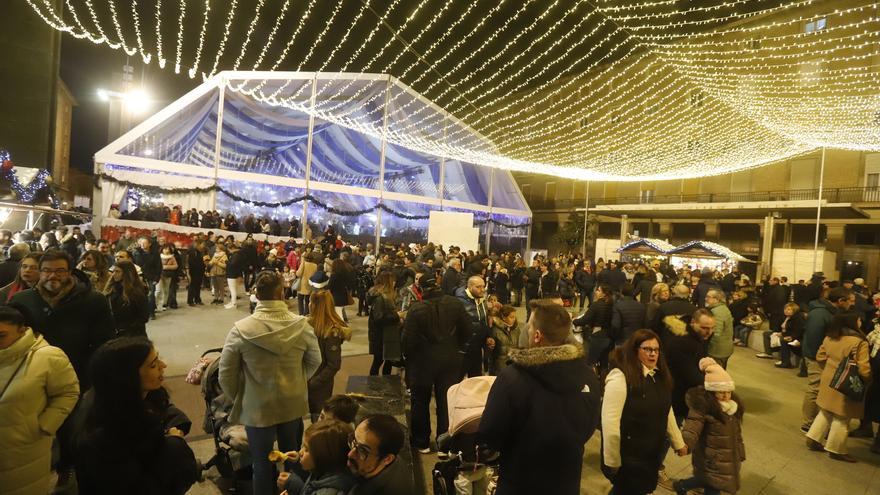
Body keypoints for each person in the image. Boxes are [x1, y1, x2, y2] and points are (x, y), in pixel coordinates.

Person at [480, 300, 600, 495]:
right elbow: (589, 426)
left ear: (537, 335)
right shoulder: (589, 377)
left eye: (529, 325)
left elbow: (490, 433)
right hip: (567, 481)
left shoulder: (512, 378)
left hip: (520, 480)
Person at [219, 271, 322, 495]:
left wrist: (240, 396)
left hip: (258, 408)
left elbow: (225, 373)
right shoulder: (302, 325)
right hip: (292, 402)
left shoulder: (240, 330)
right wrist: (298, 381)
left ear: (256, 294)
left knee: (262, 464)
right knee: (294, 457)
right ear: (282, 292)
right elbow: (316, 360)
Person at [74, 337, 198, 494]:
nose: (163, 366)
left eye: (158, 358)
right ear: (127, 376)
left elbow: (166, 410)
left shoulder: (142, 396)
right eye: (153, 365)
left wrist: (175, 428)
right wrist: (175, 444)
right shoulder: (102, 438)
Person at [0, 306, 79, 494]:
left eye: (1, 335)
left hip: (24, 450)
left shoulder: (47, 356)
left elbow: (68, 392)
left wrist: (43, 426)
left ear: (22, 330)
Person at [602, 329, 687, 495]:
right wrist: (612, 461)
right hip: (628, 456)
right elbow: (610, 423)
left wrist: (678, 441)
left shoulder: (658, 376)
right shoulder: (620, 377)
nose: (653, 354)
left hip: (649, 453)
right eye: (647, 349)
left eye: (656, 350)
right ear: (635, 350)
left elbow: (666, 409)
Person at [403, 273, 472, 453]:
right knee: (446, 400)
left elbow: (407, 341)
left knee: (420, 401)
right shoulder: (455, 304)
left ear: (422, 288)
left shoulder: (416, 309)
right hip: (450, 360)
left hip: (422, 362)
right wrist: (457, 348)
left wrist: (410, 359)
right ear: (438, 284)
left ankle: (421, 442)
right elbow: (468, 330)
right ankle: (445, 444)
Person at [805, 310, 872, 462]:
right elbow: (864, 368)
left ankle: (813, 439)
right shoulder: (858, 342)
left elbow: (820, 356)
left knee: (826, 411)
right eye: (858, 319)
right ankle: (836, 449)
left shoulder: (830, 337)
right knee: (842, 416)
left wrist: (831, 366)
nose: (860, 322)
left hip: (829, 378)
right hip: (846, 381)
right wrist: (867, 380)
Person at [675, 358, 746, 495]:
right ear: (712, 392)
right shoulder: (704, 407)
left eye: (728, 391)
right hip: (710, 459)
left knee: (707, 480)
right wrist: (685, 444)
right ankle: (682, 485)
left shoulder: (732, 409)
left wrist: (740, 452)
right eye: (721, 392)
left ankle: (682, 485)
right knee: (712, 484)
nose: (726, 396)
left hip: (727, 457)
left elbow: (737, 434)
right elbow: (692, 427)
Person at [802, 287, 854, 431]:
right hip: (816, 357)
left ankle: (817, 424)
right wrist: (819, 357)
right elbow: (813, 338)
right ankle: (808, 423)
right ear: (840, 301)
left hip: (823, 357)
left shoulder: (831, 312)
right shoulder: (820, 314)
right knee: (815, 389)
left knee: (820, 390)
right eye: (850, 301)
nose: (852, 304)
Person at [278, 420, 357, 495]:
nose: (300, 452)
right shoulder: (327, 470)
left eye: (307, 449)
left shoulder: (329, 492)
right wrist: (297, 461)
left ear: (323, 457)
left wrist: (294, 486)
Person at [308, 290, 352, 423]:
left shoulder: (332, 332)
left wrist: (314, 382)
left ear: (316, 305)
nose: (308, 304)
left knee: (319, 419)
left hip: (319, 385)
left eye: (311, 301)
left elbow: (333, 364)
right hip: (308, 380)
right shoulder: (309, 325)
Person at [665, 308, 714, 422]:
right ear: (693, 323)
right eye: (704, 328)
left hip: (686, 394)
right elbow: (689, 374)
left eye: (712, 328)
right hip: (676, 395)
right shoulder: (682, 341)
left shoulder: (698, 338)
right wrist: (713, 384)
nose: (709, 332)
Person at [346, 415, 411, 494]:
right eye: (353, 439)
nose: (350, 454)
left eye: (363, 450)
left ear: (387, 459)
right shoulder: (391, 456)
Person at [456, 275, 495, 378]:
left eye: (483, 286)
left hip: (477, 348)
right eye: (478, 287)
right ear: (470, 287)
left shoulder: (481, 300)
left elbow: (484, 321)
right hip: (462, 350)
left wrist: (488, 336)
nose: (482, 290)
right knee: (457, 380)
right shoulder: (459, 302)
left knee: (475, 379)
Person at [367, 271, 402, 376]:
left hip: (388, 335)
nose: (395, 282)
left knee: (389, 362)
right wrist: (397, 316)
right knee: (378, 361)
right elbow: (379, 318)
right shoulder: (379, 298)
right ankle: (373, 385)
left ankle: (386, 385)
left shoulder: (389, 295)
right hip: (381, 336)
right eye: (393, 280)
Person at [104, 260, 150, 337]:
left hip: (133, 334)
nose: (114, 274)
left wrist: (128, 328)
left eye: (118, 271)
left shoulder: (137, 292)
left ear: (126, 273)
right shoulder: (111, 289)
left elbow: (144, 316)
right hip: (114, 333)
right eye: (113, 271)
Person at [573, 283, 614, 369]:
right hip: (609, 336)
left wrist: (575, 321)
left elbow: (585, 320)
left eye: (598, 290)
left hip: (597, 335)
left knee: (590, 362)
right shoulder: (612, 304)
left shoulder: (596, 305)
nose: (596, 292)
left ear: (604, 294)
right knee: (604, 364)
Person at [705, 289, 734, 368]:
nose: (705, 298)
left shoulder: (716, 312)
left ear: (716, 299)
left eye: (708, 297)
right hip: (726, 348)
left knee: (716, 375)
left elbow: (716, 333)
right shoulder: (723, 307)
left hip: (718, 351)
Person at [489, 304, 521, 375]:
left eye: (515, 317)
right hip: (499, 370)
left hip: (513, 367)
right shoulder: (495, 330)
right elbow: (490, 354)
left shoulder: (516, 329)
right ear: (503, 317)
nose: (514, 319)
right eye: (511, 317)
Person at [777, 302, 806, 369]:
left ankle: (785, 362)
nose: (786, 311)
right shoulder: (785, 317)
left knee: (783, 340)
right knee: (767, 334)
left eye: (789, 309)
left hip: (797, 338)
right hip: (787, 335)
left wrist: (791, 337)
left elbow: (798, 331)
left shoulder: (797, 318)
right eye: (785, 309)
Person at [156, 244, 178, 312]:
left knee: (166, 290)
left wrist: (165, 267)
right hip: (159, 275)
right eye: (165, 249)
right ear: (162, 249)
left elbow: (176, 266)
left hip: (168, 275)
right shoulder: (158, 256)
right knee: (158, 290)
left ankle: (164, 304)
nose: (166, 250)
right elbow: (155, 266)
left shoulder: (172, 257)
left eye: (168, 249)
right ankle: (156, 304)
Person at [225, 243, 245, 309]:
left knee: (232, 289)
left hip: (232, 274)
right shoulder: (238, 254)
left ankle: (233, 303)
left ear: (232, 248)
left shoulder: (236, 255)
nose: (229, 252)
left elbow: (232, 264)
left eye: (229, 250)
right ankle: (232, 302)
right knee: (233, 289)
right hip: (234, 273)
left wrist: (226, 262)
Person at [186, 241, 206, 306]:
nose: (203, 246)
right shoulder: (192, 252)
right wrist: (188, 273)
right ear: (198, 245)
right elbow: (190, 263)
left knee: (198, 286)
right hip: (193, 272)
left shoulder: (199, 252)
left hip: (199, 272)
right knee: (192, 286)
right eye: (202, 245)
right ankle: (190, 301)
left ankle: (197, 299)